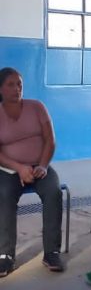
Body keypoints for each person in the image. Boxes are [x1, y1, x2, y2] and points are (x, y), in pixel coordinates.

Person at [0, 68, 64, 276]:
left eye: (19, 84)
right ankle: (5, 256)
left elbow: (50, 140)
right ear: (1, 88)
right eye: (11, 84)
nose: (17, 88)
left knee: (54, 192)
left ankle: (52, 251)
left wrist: (43, 165)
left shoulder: (37, 107)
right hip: (9, 170)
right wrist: (19, 168)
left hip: (40, 167)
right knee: (4, 194)